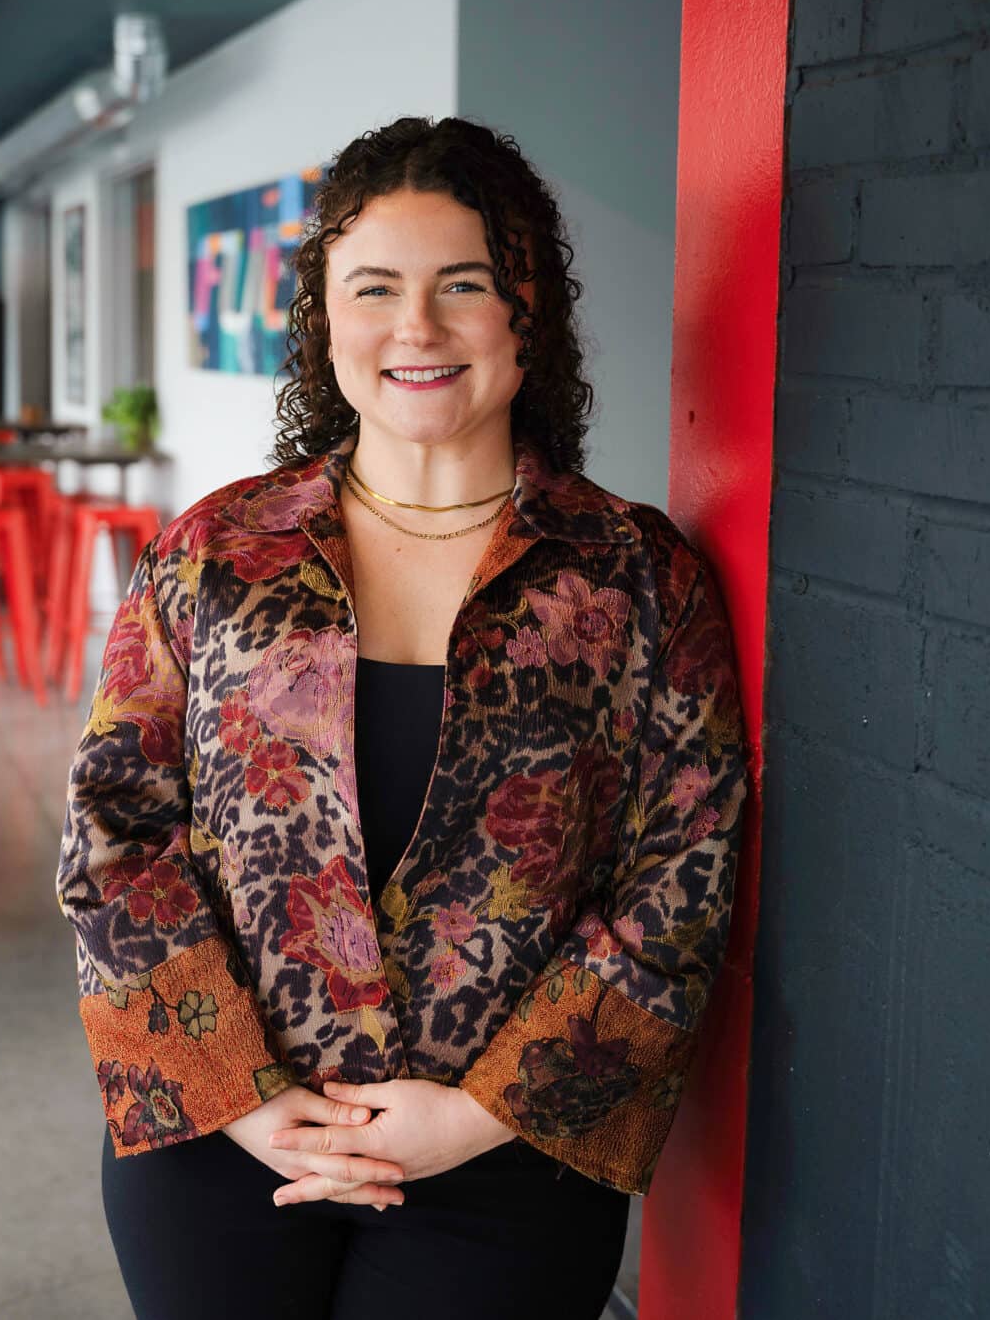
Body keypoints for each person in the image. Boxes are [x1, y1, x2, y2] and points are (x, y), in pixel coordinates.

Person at [57, 116, 748, 1320]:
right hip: (221, 1142)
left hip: (506, 1161)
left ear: (527, 314)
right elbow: (115, 832)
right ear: (324, 319)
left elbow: (681, 874)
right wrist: (238, 1092)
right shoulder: (213, 552)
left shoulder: (634, 576)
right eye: (373, 287)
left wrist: (475, 1115)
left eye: (461, 284)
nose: (415, 326)